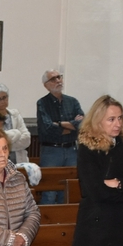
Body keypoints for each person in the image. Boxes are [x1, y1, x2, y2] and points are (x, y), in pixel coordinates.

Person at [73, 95, 123, 246]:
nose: (118, 124)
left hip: (122, 222)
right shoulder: (88, 148)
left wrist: (118, 183)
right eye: (111, 119)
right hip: (95, 224)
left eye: (120, 118)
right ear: (98, 121)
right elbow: (94, 191)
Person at [35, 70, 83, 204]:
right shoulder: (42, 103)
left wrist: (60, 124)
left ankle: (65, 223)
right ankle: (48, 224)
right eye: (53, 79)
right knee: (49, 192)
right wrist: (71, 126)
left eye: (59, 77)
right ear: (46, 85)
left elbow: (81, 125)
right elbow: (48, 129)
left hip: (71, 150)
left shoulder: (72, 102)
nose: (58, 81)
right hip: (52, 151)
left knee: (69, 191)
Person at [0, 83, 31, 164]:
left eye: (4, 97)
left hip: (19, 161)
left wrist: (5, 145)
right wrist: (17, 134)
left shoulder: (15, 115)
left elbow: (26, 140)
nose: (3, 101)